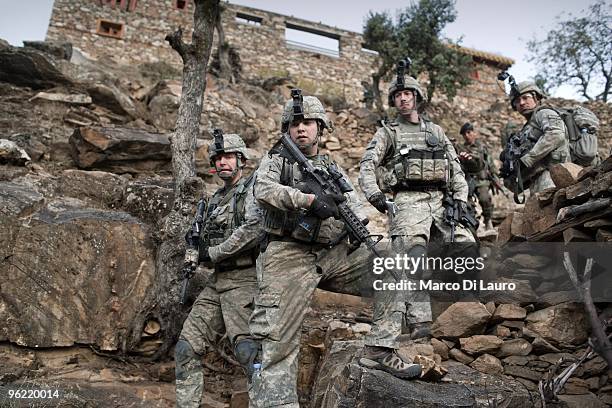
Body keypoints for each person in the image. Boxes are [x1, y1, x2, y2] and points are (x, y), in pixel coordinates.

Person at [249, 92, 422, 408]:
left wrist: (346, 211)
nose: (302, 129)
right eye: (295, 123)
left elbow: (356, 204)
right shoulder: (275, 160)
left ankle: (379, 348)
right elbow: (264, 191)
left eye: (308, 123)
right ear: (287, 129)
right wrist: (309, 201)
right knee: (277, 343)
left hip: (334, 253)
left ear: (320, 128)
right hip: (289, 255)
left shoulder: (331, 166)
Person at [358, 71, 476, 339]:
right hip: (407, 200)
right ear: (393, 100)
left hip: (441, 201)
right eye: (398, 95)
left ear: (417, 97)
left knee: (465, 246)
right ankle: (419, 322)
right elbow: (367, 166)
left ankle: (467, 312)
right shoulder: (387, 133)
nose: (403, 99)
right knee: (413, 257)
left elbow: (455, 168)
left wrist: (459, 199)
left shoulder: (436, 131)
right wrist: (376, 196)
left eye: (407, 94)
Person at [175, 131, 263, 408]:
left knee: (250, 354)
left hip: (245, 279)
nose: (222, 162)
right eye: (218, 158)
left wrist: (212, 253)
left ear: (241, 160)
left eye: (228, 157)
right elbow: (198, 239)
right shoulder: (213, 201)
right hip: (217, 281)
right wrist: (194, 252)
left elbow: (254, 230)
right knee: (186, 348)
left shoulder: (253, 190)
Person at [504, 81, 570, 194]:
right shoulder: (528, 126)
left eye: (525, 98)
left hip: (553, 173)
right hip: (537, 178)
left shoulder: (543, 113)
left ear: (536, 97)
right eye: (517, 101)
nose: (522, 103)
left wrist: (527, 159)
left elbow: (556, 134)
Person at [456, 122, 497, 232]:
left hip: (481, 179)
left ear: (474, 133)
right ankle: (472, 225)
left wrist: (495, 176)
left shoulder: (481, 147)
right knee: (467, 202)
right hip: (468, 179)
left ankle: (488, 220)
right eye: (464, 134)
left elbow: (489, 163)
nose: (467, 136)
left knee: (484, 199)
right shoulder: (461, 148)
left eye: (469, 132)